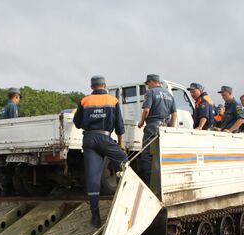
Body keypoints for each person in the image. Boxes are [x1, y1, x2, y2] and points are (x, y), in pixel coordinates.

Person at [73, 75, 127, 227]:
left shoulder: (84, 100)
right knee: (123, 161)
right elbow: (119, 126)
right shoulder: (113, 100)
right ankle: (122, 196)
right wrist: (120, 146)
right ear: (105, 85)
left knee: (93, 177)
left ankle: (95, 216)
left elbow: (77, 123)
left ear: (92, 87)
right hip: (105, 138)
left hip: (89, 139)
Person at [137, 74, 177, 184]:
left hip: (152, 126)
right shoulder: (169, 95)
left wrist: (141, 122)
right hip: (165, 127)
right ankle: (163, 182)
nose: (148, 86)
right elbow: (174, 114)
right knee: (162, 155)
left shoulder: (150, 92)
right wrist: (171, 129)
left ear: (151, 82)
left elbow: (146, 110)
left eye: (148, 84)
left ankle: (150, 183)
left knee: (147, 154)